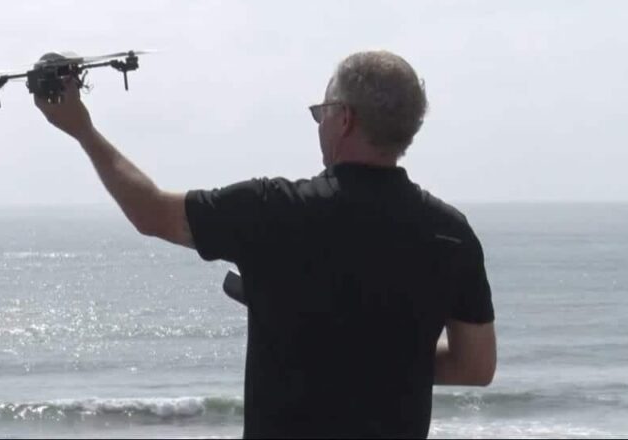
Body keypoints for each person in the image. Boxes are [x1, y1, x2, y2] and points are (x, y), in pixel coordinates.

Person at [35, 50, 496, 438]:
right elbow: (475, 366)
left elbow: (151, 211)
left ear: (344, 118)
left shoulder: (274, 210)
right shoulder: (450, 234)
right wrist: (380, 357)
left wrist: (83, 130)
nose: (319, 123)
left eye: (321, 111)